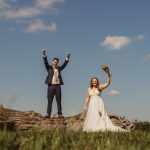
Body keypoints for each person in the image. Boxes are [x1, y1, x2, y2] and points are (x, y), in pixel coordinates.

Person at [83, 65, 126, 132]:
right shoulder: (89, 89)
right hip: (92, 104)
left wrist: (108, 73)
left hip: (99, 103)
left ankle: (101, 127)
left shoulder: (99, 87)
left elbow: (108, 83)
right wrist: (85, 106)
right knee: (92, 116)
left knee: (100, 116)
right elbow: (87, 98)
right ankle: (92, 128)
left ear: (97, 82)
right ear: (91, 82)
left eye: (95, 81)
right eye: (93, 81)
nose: (94, 82)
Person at [42, 49, 70, 118]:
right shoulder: (49, 68)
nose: (56, 63)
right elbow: (45, 62)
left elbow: (64, 65)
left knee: (59, 100)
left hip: (58, 86)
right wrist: (44, 54)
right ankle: (48, 114)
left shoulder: (59, 68)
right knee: (49, 101)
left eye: (57, 62)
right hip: (51, 86)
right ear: (53, 62)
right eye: (55, 62)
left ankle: (60, 114)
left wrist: (67, 58)